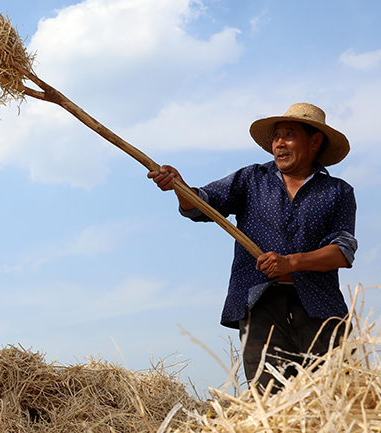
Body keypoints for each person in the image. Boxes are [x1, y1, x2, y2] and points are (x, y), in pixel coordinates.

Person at [148, 103, 357, 394]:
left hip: (320, 310)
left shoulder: (337, 192)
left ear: (315, 141)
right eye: (276, 137)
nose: (279, 143)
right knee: (269, 399)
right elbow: (204, 205)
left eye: (289, 135)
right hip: (261, 305)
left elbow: (342, 251)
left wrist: (291, 263)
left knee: (333, 395)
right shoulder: (251, 179)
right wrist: (181, 189)